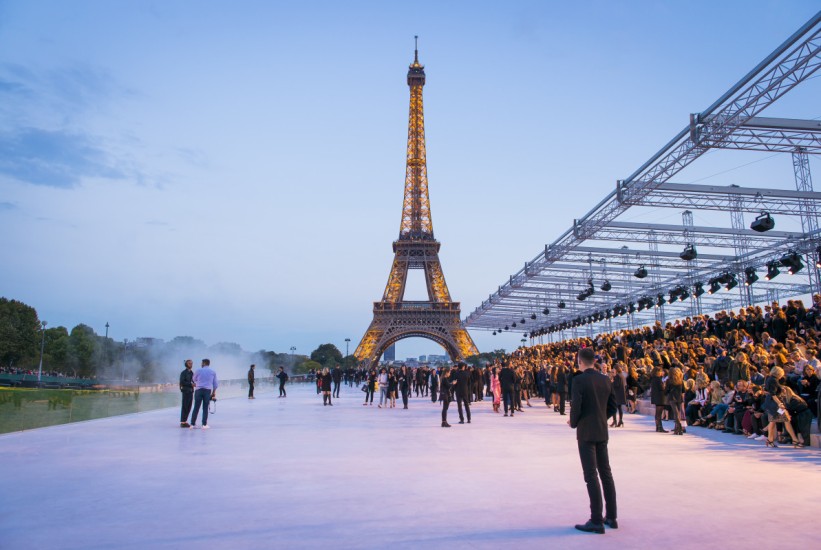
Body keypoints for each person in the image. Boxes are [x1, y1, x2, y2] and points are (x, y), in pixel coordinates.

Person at [569, 347, 618, 534]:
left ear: (580, 361)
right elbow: (613, 406)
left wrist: (573, 423)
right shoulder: (605, 379)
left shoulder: (578, 380)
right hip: (601, 430)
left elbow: (576, 406)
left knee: (591, 475)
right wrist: (600, 417)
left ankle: (596, 519)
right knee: (606, 473)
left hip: (586, 432)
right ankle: (612, 517)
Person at [190, 358, 218, 430]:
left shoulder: (198, 370)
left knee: (196, 407)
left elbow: (193, 379)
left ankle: (192, 424)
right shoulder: (213, 372)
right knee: (205, 408)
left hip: (198, 390)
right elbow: (215, 384)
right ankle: (204, 424)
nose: (201, 364)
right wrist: (213, 393)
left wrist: (199, 381)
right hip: (207, 391)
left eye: (202, 363)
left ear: (204, 363)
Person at [179, 359, 194, 428]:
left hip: (191, 391)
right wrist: (191, 384)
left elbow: (193, 381)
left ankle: (185, 421)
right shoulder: (183, 373)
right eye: (189, 363)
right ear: (186, 364)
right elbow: (182, 382)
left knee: (189, 406)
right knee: (185, 406)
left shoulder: (191, 373)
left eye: (191, 363)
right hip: (185, 391)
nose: (191, 364)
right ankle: (182, 422)